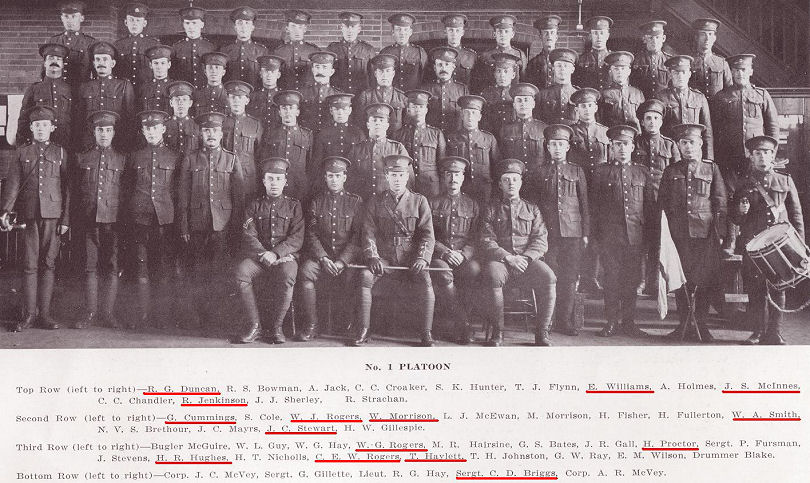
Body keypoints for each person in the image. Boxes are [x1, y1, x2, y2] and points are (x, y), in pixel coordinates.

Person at [352, 154, 436, 347]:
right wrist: (373, 257)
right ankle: (363, 329)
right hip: (385, 258)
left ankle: (426, 332)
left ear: (407, 177)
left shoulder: (419, 201)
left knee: (426, 278)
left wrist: (422, 259)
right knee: (365, 276)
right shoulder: (375, 201)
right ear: (387, 176)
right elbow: (368, 233)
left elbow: (427, 235)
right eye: (393, 175)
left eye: (401, 175)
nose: (397, 179)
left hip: (410, 259)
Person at [0, 106, 70, 332]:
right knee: (30, 265)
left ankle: (45, 315)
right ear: (31, 127)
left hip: (53, 215)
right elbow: (12, 186)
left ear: (52, 128)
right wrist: (5, 211)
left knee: (48, 264)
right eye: (37, 125)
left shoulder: (60, 153)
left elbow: (67, 189)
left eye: (45, 125)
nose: (41, 129)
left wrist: (66, 219)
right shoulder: (22, 152)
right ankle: (29, 314)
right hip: (29, 215)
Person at [730, 136, 804, 345]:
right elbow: (734, 218)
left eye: (766, 152)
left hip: (779, 246)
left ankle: (774, 333)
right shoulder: (743, 182)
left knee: (779, 288)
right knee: (755, 290)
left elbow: (796, 214)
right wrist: (741, 211)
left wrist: (800, 246)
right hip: (753, 245)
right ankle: (757, 332)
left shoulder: (784, 180)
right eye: (758, 153)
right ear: (751, 157)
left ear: (773, 156)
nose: (762, 156)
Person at [658, 123, 727, 342]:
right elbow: (662, 204)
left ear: (700, 145)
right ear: (678, 146)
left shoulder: (711, 169)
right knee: (681, 280)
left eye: (692, 143)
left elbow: (720, 203)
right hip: (678, 235)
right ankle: (684, 324)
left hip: (704, 234)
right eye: (684, 143)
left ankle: (701, 325)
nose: (688, 147)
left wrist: (720, 234)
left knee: (703, 280)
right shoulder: (671, 171)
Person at [178, 111, 245, 329]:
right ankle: (199, 319)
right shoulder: (191, 159)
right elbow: (183, 196)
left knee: (219, 272)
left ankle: (218, 319)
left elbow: (239, 198)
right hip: (197, 224)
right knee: (198, 272)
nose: (211, 135)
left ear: (221, 133)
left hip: (222, 226)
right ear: (201, 133)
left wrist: (235, 228)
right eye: (206, 131)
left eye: (215, 131)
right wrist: (184, 226)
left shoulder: (231, 159)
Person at [480, 159, 556, 346]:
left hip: (527, 261)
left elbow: (540, 239)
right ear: (500, 184)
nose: (511, 183)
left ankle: (542, 333)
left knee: (549, 277)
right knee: (493, 275)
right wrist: (508, 258)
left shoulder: (532, 208)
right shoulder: (491, 209)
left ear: (521, 182)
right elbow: (486, 239)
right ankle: (498, 333)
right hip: (501, 261)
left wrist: (526, 258)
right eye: (506, 180)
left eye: (515, 179)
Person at [591, 125, 655, 338]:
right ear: (611, 147)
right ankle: (610, 322)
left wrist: (649, 238)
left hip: (635, 236)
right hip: (609, 237)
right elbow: (594, 208)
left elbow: (649, 207)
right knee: (611, 280)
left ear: (632, 147)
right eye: (617, 144)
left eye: (625, 144)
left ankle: (629, 322)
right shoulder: (601, 172)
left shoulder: (642, 172)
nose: (622, 148)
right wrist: (595, 238)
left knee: (631, 280)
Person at [231, 158, 304, 344]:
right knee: (241, 272)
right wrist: (264, 254)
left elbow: (296, 238)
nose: (274, 183)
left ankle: (277, 328)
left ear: (285, 182)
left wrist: (276, 253)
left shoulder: (294, 206)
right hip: (259, 257)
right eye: (270, 179)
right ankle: (255, 326)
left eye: (278, 179)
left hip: (285, 258)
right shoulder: (254, 205)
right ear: (264, 181)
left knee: (288, 275)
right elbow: (248, 235)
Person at [296, 156, 363, 341]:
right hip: (322, 258)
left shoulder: (355, 202)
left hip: (347, 259)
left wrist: (342, 261)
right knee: (306, 272)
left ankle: (349, 325)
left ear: (344, 177)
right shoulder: (316, 201)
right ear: (325, 178)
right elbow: (311, 234)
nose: (334, 179)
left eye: (338, 175)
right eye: (330, 176)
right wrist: (323, 258)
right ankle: (312, 325)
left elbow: (358, 237)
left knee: (354, 276)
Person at [124, 110, 180, 329]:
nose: (151, 132)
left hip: (165, 219)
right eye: (147, 128)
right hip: (140, 218)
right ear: (142, 131)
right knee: (141, 267)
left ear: (163, 129)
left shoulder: (174, 156)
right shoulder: (134, 156)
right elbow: (128, 188)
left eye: (155, 128)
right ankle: (143, 315)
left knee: (163, 267)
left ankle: (162, 316)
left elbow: (178, 190)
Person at [533, 125, 589, 336]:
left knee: (570, 276)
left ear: (567, 147)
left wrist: (585, 233)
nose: (557, 148)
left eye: (561, 144)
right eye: (553, 144)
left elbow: (584, 204)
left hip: (573, 232)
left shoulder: (577, 171)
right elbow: (533, 206)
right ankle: (547, 320)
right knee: (549, 276)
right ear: (547, 147)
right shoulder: (539, 172)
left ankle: (564, 321)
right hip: (547, 233)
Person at [72, 110, 125, 329]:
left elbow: (126, 193)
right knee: (89, 266)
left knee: (112, 266)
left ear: (113, 133)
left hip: (113, 221)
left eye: (108, 130)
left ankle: (108, 313)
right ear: (94, 132)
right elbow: (75, 192)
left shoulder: (122, 159)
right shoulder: (81, 158)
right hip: (88, 220)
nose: (104, 134)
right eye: (100, 130)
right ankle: (90, 313)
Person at [430, 156, 481, 344]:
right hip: (439, 255)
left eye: (457, 174)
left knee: (473, 270)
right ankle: (463, 324)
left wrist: (464, 254)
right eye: (449, 174)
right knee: (442, 272)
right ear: (443, 177)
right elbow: (426, 235)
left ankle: (458, 322)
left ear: (463, 177)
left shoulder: (472, 204)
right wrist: (444, 252)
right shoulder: (432, 203)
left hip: (463, 256)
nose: (453, 179)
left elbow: (477, 237)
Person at [633, 99, 680, 295]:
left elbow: (677, 173)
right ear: (642, 122)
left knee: (660, 242)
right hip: (639, 200)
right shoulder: (635, 143)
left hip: (662, 201)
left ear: (661, 121)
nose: (652, 122)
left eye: (655, 118)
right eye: (648, 118)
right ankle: (641, 281)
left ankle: (657, 282)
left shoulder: (670, 145)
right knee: (640, 242)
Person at [568, 87, 608, 295]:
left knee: (597, 235)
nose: (586, 109)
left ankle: (592, 277)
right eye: (582, 106)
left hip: (600, 190)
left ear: (595, 107)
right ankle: (576, 278)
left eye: (589, 105)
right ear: (577, 109)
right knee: (578, 234)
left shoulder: (604, 132)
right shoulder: (570, 132)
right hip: (575, 189)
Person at [77, 41, 136, 151]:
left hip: (117, 143)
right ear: (93, 63)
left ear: (112, 63)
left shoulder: (123, 86)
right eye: (98, 59)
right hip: (89, 144)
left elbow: (130, 119)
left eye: (105, 59)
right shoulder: (85, 87)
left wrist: (125, 143)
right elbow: (80, 119)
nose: (101, 63)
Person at [346, 103, 411, 202]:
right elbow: (348, 179)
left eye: (381, 120)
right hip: (362, 202)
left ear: (387, 125)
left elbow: (409, 180)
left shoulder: (397, 148)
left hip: (388, 203)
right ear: (368, 124)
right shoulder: (356, 149)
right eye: (374, 120)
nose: (377, 124)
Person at [653, 55, 714, 160]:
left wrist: (708, 158)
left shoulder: (699, 97)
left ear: (689, 74)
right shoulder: (661, 98)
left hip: (694, 152)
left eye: (684, 72)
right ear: (670, 74)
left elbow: (707, 131)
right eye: (676, 72)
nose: (680, 76)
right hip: (670, 152)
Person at [445, 95, 499, 206]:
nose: (470, 116)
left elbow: (496, 166)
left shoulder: (489, 138)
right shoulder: (451, 138)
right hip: (462, 188)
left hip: (484, 190)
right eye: (467, 113)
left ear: (479, 117)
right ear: (462, 115)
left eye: (474, 113)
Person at [17, 44, 73, 150]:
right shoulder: (34, 89)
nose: (54, 61)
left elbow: (76, 118)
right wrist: (22, 147)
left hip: (65, 143)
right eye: (51, 58)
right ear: (45, 63)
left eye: (58, 59)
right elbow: (23, 119)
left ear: (63, 64)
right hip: (39, 145)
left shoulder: (70, 90)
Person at [260, 90, 314, 202]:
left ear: (297, 112)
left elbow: (310, 164)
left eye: (291, 108)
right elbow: (264, 161)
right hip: (276, 187)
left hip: (299, 187)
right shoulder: (270, 134)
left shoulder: (307, 135)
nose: (288, 111)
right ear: (279, 112)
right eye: (284, 108)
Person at [392, 90, 446, 198]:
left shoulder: (436, 134)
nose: (418, 110)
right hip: (406, 184)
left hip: (430, 186)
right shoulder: (398, 135)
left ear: (426, 110)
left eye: (421, 107)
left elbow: (442, 166)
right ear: (408, 110)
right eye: (414, 107)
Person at [498, 83, 547, 189]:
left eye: (526, 100)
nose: (523, 103)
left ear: (533, 104)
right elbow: (502, 157)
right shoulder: (505, 130)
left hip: (539, 181)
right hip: (514, 183)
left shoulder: (543, 128)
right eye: (519, 100)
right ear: (514, 105)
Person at [222, 80, 263, 200]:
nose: (236, 101)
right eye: (233, 97)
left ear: (247, 100)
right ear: (228, 99)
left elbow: (259, 154)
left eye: (240, 98)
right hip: (224, 176)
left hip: (247, 179)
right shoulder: (221, 122)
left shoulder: (255, 124)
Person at [355, 54, 408, 134]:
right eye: (381, 71)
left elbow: (406, 124)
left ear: (393, 74)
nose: (384, 75)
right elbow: (360, 123)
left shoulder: (402, 97)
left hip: (396, 139)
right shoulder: (366, 96)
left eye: (388, 71)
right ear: (375, 74)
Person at [473, 15, 527, 94]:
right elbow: (480, 82)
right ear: (494, 34)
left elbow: (524, 80)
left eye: (506, 31)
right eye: (499, 31)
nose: (503, 35)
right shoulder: (486, 55)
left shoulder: (520, 54)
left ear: (512, 34)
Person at [327, 12, 377, 96]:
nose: (349, 31)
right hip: (338, 96)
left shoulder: (368, 49)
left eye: (353, 27)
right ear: (341, 28)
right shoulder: (332, 49)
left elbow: (373, 78)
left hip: (361, 96)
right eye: (346, 27)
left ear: (359, 29)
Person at [48, 1, 95, 90]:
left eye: (74, 16)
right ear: (62, 18)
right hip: (58, 90)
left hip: (80, 90)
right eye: (66, 16)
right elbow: (45, 69)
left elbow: (95, 71)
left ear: (81, 18)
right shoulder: (54, 41)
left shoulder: (90, 42)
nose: (69, 20)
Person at [311, 93, 366, 169]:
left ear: (350, 110)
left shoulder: (358, 133)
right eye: (336, 109)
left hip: (352, 174)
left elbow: (362, 162)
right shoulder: (323, 134)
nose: (340, 113)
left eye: (344, 109)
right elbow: (317, 163)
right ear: (331, 111)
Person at [113, 2, 160, 91]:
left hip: (146, 90)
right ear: (126, 22)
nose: (134, 24)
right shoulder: (117, 45)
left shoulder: (154, 44)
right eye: (131, 20)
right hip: (124, 89)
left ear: (144, 23)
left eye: (138, 20)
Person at [422, 47, 469, 133]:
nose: (443, 68)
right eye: (440, 65)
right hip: (433, 137)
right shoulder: (426, 90)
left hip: (455, 137)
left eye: (447, 64)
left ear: (453, 67)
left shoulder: (462, 90)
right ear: (434, 68)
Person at [221, 6, 269, 89]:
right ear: (235, 27)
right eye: (240, 23)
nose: (243, 27)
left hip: (254, 94)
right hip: (232, 94)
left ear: (252, 27)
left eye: (247, 23)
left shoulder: (262, 51)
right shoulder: (225, 50)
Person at [271, 10, 319, 90]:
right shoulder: (278, 51)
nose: (297, 30)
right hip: (285, 93)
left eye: (300, 27)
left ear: (305, 29)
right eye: (293, 26)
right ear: (287, 29)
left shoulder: (314, 51)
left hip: (307, 94)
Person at [379, 14, 428, 92]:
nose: (402, 33)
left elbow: (425, 77)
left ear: (410, 32)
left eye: (405, 29)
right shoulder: (385, 52)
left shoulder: (419, 52)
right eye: (398, 29)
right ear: (393, 32)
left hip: (413, 96)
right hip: (392, 96)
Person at [170, 6, 215, 90]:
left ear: (202, 25)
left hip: (205, 91)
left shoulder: (210, 47)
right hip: (184, 92)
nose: (191, 27)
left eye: (194, 23)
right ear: (183, 25)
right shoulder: (176, 47)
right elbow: (172, 73)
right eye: (187, 23)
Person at [599, 51, 645, 132]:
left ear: (629, 72)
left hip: (635, 134)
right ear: (610, 72)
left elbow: (643, 118)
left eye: (623, 68)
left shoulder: (637, 93)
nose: (619, 71)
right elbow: (600, 119)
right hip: (613, 134)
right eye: (616, 69)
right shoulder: (604, 94)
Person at [299, 51, 343, 133]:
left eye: (324, 67)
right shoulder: (301, 93)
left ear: (331, 72)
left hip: (329, 136)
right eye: (317, 67)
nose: (320, 71)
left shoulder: (338, 95)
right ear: (313, 70)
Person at [534, 48, 579, 125]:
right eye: (559, 66)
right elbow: (537, 123)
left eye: (566, 66)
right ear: (553, 68)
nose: (562, 69)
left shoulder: (578, 95)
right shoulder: (542, 95)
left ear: (572, 69)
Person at [689, 18, 732, 99]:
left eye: (710, 34)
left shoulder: (722, 63)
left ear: (714, 38)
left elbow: (730, 90)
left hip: (718, 106)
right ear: (696, 37)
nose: (707, 38)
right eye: (703, 34)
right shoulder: (689, 61)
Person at [479, 53, 520, 134]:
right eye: (498, 71)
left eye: (506, 71)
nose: (502, 75)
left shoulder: (518, 94)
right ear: (494, 74)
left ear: (513, 75)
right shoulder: (486, 94)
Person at [630, 20, 672, 99]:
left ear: (663, 38)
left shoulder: (669, 61)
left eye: (657, 37)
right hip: (642, 102)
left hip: (663, 103)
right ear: (644, 39)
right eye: (650, 38)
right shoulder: (635, 59)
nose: (654, 41)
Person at [434, 14, 477, 87]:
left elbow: (476, 82)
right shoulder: (437, 54)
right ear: (445, 32)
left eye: (457, 30)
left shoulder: (471, 56)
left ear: (462, 33)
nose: (454, 34)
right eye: (451, 30)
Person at [574, 16, 613, 91]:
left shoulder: (613, 59)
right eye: (595, 33)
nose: (599, 37)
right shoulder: (581, 59)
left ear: (607, 36)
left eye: (602, 33)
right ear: (590, 36)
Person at [247, 55, 284, 132]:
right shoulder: (252, 97)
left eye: (273, 72)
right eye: (266, 71)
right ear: (261, 74)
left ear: (278, 75)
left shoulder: (283, 97)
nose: (269, 75)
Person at [164, 80, 200, 157]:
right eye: (177, 99)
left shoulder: (197, 126)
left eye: (184, 99)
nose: (180, 103)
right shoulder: (164, 126)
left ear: (190, 103)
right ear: (171, 103)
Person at [526, 15, 562, 90]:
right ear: (540, 36)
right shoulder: (533, 63)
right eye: (546, 33)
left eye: (552, 32)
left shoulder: (563, 61)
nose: (549, 36)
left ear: (556, 37)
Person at [138, 44, 174, 112]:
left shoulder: (174, 87)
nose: (159, 67)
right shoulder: (144, 88)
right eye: (156, 63)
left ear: (169, 65)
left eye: (163, 63)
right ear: (150, 65)